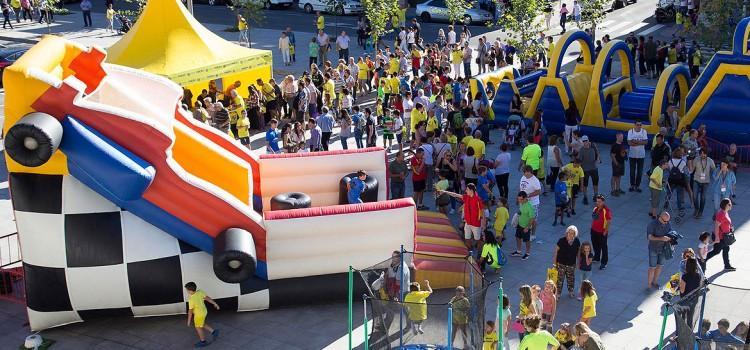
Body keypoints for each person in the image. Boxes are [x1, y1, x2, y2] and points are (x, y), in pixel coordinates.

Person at [440, 184, 485, 251]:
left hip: (476, 224)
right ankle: (469, 252)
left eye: (467, 189)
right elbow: (455, 195)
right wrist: (445, 192)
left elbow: (482, 212)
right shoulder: (466, 197)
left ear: (471, 190)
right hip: (467, 223)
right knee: (467, 238)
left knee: (477, 239)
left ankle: (480, 252)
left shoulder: (478, 200)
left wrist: (483, 224)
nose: (466, 191)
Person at [185, 282, 220, 348]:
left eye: (186, 290)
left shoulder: (191, 299)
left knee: (198, 327)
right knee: (202, 323)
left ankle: (203, 341)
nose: (186, 291)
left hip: (199, 315)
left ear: (190, 291)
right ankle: (213, 331)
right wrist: (215, 304)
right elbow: (207, 298)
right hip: (204, 312)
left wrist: (189, 321)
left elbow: (190, 311)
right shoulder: (200, 292)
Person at [706, 198, 736, 271]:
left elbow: (724, 223)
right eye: (729, 204)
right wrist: (717, 237)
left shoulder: (725, 212)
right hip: (720, 237)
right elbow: (716, 226)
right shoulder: (721, 214)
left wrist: (730, 228)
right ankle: (702, 260)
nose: (731, 205)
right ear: (726, 205)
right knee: (716, 251)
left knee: (726, 249)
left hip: (724, 236)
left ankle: (727, 265)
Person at [647, 211, 674, 289]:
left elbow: (671, 232)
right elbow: (650, 237)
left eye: (667, 221)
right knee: (652, 267)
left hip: (663, 248)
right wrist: (661, 238)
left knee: (660, 266)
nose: (666, 223)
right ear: (660, 218)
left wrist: (672, 239)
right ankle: (649, 285)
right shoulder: (652, 224)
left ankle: (654, 282)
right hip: (653, 248)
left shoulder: (667, 223)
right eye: (665, 221)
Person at [553, 225, 581, 298]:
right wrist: (554, 263)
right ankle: (558, 293)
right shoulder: (561, 240)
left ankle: (571, 292)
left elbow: (578, 252)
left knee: (571, 279)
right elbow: (556, 251)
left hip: (571, 264)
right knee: (559, 279)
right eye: (569, 232)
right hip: (561, 264)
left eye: (573, 233)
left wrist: (578, 262)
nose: (570, 234)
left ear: (575, 234)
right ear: (566, 233)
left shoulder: (577, 241)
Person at [519, 165, 542, 240]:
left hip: (533, 203)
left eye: (527, 172)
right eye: (524, 172)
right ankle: (525, 231)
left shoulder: (535, 180)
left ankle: (533, 234)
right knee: (524, 217)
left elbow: (538, 191)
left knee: (533, 219)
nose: (525, 174)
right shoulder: (523, 177)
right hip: (523, 202)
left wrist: (528, 195)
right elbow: (521, 188)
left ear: (531, 172)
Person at [511, 191, 536, 260]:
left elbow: (532, 218)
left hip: (526, 227)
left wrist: (527, 227)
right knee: (517, 237)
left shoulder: (530, 206)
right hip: (519, 224)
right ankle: (519, 251)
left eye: (521, 199)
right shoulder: (521, 203)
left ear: (525, 198)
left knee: (527, 240)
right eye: (518, 199)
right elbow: (521, 211)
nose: (519, 201)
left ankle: (527, 253)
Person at [590, 194, 611, 270]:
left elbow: (608, 221)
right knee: (595, 245)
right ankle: (597, 257)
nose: (598, 203)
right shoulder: (595, 208)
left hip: (602, 232)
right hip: (594, 230)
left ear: (603, 202)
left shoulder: (606, 210)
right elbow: (594, 218)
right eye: (597, 201)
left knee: (603, 247)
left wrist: (606, 231)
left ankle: (604, 262)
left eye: (599, 202)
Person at [578, 136, 600, 205]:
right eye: (583, 141)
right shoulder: (581, 150)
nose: (585, 143)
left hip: (594, 168)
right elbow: (579, 160)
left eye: (586, 141)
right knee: (585, 184)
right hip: (585, 169)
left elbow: (597, 153)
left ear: (588, 140)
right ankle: (585, 197)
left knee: (595, 183)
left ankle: (595, 195)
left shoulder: (593, 146)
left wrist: (597, 160)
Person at [628, 120, 648, 192]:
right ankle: (632, 185)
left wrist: (635, 141)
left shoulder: (644, 131)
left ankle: (637, 186)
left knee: (640, 172)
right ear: (634, 125)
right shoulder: (631, 131)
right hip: (632, 155)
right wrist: (641, 142)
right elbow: (629, 143)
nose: (639, 126)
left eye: (640, 125)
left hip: (641, 155)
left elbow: (646, 142)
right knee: (632, 171)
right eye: (637, 125)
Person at [610, 132, 627, 197]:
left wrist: (625, 155)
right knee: (614, 176)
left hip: (621, 163)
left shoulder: (622, 144)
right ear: (617, 137)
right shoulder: (614, 145)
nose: (622, 138)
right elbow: (612, 155)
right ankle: (613, 190)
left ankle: (618, 189)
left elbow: (623, 153)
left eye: (622, 137)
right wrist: (616, 163)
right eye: (621, 137)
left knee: (619, 176)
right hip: (617, 163)